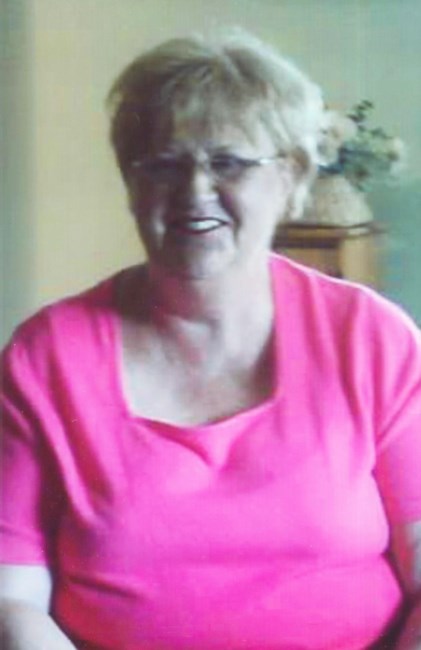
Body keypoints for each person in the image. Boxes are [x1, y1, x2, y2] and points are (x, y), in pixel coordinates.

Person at [1, 30, 420, 650]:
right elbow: (12, 595)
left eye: (227, 163)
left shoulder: (371, 339)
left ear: (291, 177)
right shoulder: (48, 356)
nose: (195, 190)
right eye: (163, 164)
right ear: (132, 185)